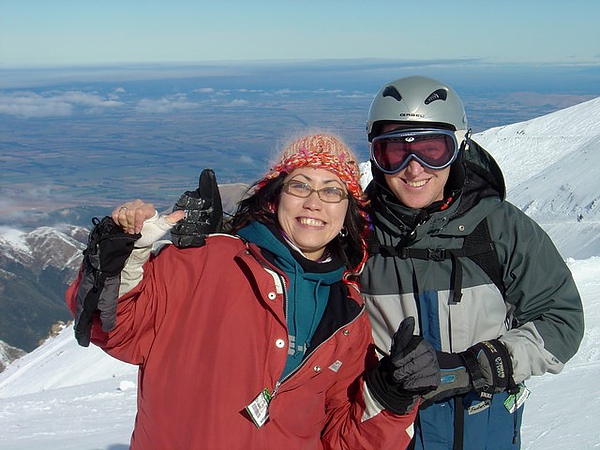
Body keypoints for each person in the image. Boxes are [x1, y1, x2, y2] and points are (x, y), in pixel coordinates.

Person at [66, 132, 441, 450]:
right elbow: (112, 326)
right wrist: (120, 254)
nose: (314, 202)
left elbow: (342, 439)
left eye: (332, 191)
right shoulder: (207, 261)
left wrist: (391, 395)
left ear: (347, 213)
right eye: (300, 185)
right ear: (275, 197)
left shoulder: (348, 315)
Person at [359, 75, 585, 449]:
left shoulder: (497, 228)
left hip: (484, 434)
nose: (414, 168)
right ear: (375, 155)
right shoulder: (357, 237)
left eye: (433, 150)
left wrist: (478, 367)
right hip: (388, 436)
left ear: (459, 148)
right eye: (395, 151)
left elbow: (561, 319)